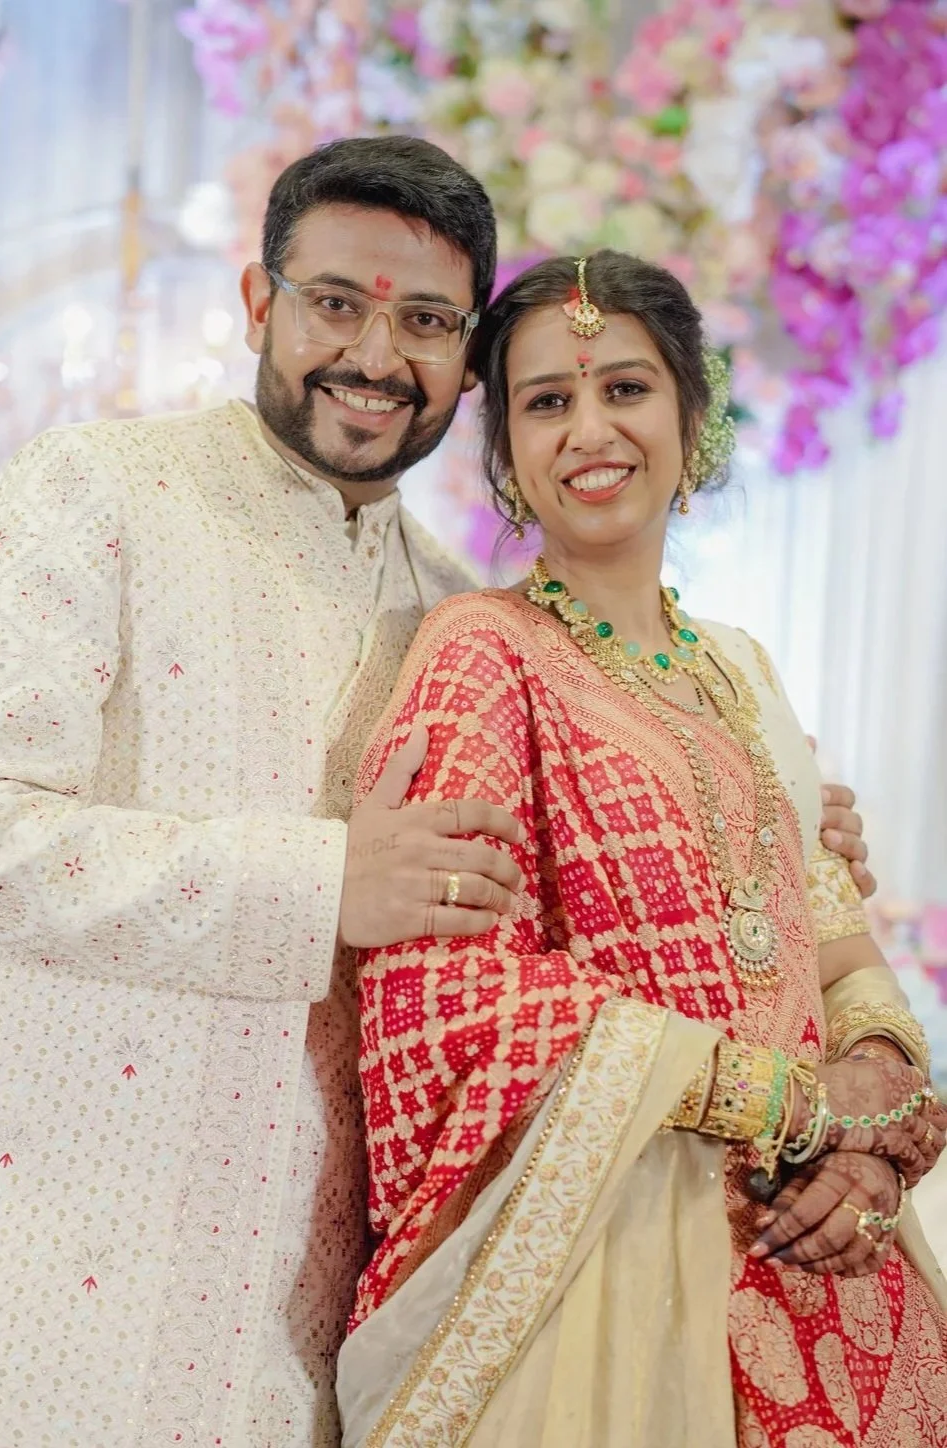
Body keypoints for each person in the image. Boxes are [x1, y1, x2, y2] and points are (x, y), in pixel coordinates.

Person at [0, 138, 871, 1448]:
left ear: (465, 360)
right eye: (336, 302)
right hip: (75, 1268)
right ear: (257, 303)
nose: (376, 356)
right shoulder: (101, 490)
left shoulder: (466, 616)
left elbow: (586, 929)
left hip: (329, 1320)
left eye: (428, 321)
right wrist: (332, 880)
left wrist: (774, 823)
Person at [337, 250, 947, 1448]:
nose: (588, 431)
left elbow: (830, 942)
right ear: (504, 450)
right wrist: (784, 1101)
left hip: (828, 1249)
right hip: (611, 1269)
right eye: (545, 402)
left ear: (687, 412)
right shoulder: (479, 651)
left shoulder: (742, 669)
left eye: (624, 388)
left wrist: (874, 1115)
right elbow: (453, 988)